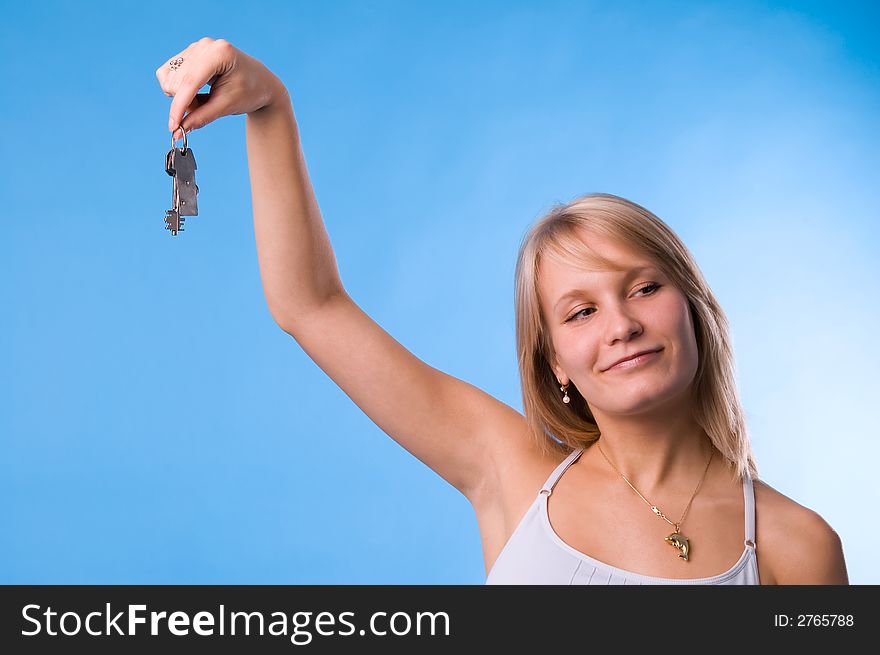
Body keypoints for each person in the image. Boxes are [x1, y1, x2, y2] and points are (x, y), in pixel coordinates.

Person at [156, 37, 849, 585]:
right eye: (579, 312)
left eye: (643, 288)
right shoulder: (511, 468)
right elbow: (309, 304)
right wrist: (270, 105)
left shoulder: (798, 546)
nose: (621, 324)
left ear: (696, 309)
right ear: (555, 361)